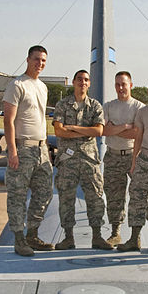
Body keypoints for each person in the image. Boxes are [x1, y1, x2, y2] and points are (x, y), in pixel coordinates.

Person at [102, 71, 148, 248]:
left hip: (142, 157)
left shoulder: (141, 108)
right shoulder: (110, 106)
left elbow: (138, 134)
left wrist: (116, 129)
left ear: (131, 85)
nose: (121, 87)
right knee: (115, 196)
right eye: (118, 84)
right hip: (115, 156)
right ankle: (117, 233)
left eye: (124, 84)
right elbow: (104, 131)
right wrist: (125, 127)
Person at [2, 45, 54, 256]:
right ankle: (18, 238)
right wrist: (12, 151)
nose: (39, 64)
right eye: (36, 59)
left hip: (41, 149)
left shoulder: (42, 87)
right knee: (17, 195)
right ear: (27, 59)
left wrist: (46, 149)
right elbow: (8, 120)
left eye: (43, 60)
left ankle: (33, 234)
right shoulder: (17, 85)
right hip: (22, 148)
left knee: (44, 192)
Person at [52, 70, 113, 250]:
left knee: (95, 197)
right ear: (74, 82)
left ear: (89, 83)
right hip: (67, 160)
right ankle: (68, 238)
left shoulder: (95, 106)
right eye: (79, 79)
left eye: (86, 80)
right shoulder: (62, 105)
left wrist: (72, 128)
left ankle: (97, 236)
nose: (83, 83)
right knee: (66, 198)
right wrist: (85, 129)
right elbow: (59, 131)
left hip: (89, 159)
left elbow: (99, 131)